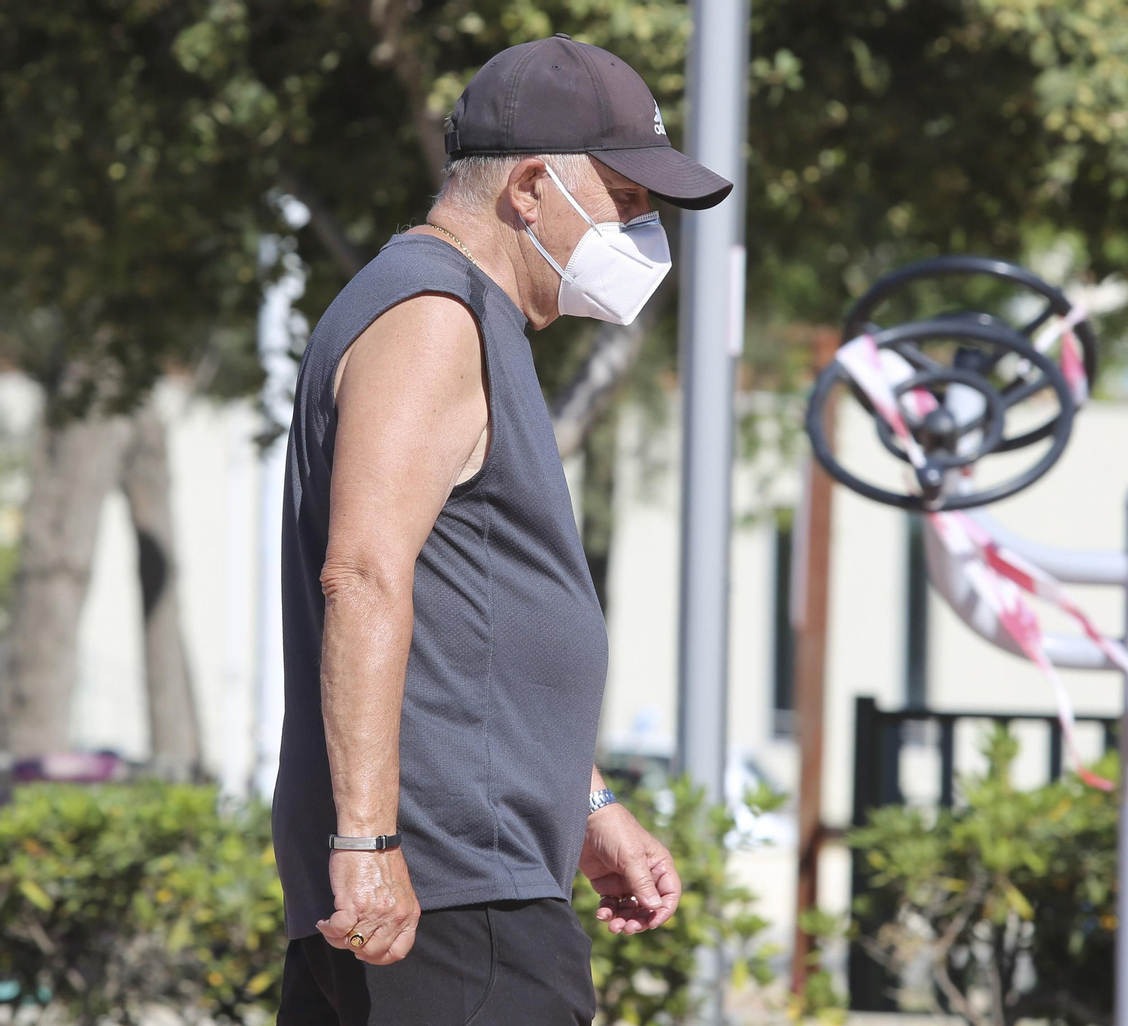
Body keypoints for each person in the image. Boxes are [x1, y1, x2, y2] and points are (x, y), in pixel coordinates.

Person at [271, 34, 732, 1026]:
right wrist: (366, 842)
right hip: (447, 897)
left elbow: (474, 625)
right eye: (627, 201)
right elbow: (361, 574)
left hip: (458, 881)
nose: (645, 233)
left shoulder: (466, 316)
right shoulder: (434, 316)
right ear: (529, 188)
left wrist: (589, 807)